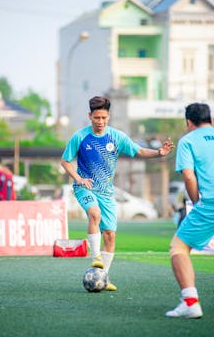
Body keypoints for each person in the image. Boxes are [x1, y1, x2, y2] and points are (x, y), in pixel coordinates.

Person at [61, 96, 174, 291]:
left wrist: (158, 153)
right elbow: (65, 161)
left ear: (109, 116)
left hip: (106, 193)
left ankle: (103, 276)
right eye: (96, 117)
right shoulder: (80, 137)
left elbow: (138, 151)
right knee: (94, 214)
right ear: (90, 116)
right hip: (84, 188)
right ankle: (96, 257)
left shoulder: (117, 137)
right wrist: (78, 179)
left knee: (111, 236)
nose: (100, 122)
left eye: (104, 117)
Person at [166, 103, 214, 319]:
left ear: (188, 122)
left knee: (178, 247)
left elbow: (188, 176)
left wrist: (196, 202)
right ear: (210, 119)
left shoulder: (187, 141)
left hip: (210, 203)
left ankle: (190, 302)